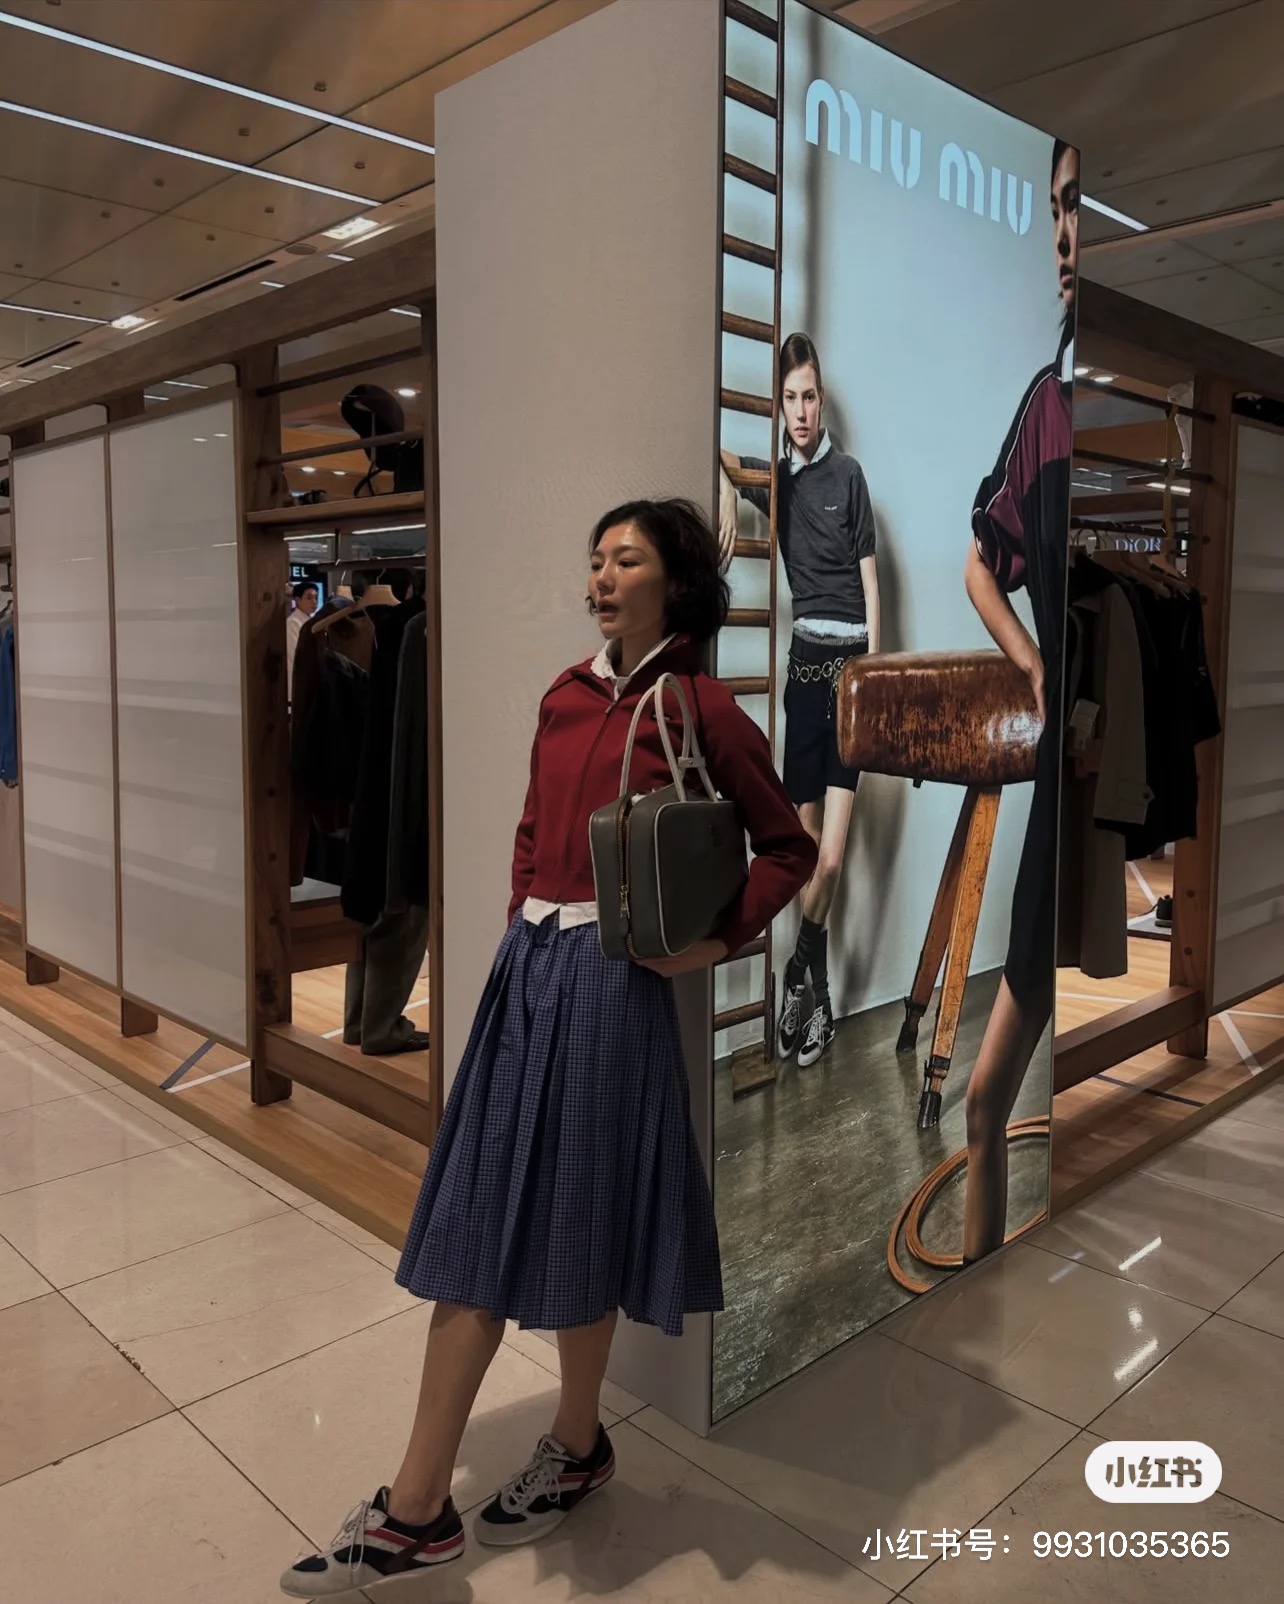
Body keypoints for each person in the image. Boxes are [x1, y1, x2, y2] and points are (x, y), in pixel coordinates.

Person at [282, 498, 817, 1596]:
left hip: (615, 986)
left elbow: (786, 847)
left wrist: (711, 944)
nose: (603, 576)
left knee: (580, 1215)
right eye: (596, 560)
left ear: (677, 583)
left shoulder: (702, 706)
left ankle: (493, 1479)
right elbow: (533, 832)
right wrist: (520, 922)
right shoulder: (566, 694)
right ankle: (472, 1484)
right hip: (529, 972)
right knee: (488, 1212)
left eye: (627, 558)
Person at [961, 138, 1078, 1262]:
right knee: (986, 1093)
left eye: (1077, 204)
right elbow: (979, 562)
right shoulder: (1047, 405)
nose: (1064, 231)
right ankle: (981, 1279)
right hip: (1062, 751)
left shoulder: (1100, 397)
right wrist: (1032, 659)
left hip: (1112, 743)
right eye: (1056, 207)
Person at [719, 334, 880, 1069]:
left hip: (852, 673)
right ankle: (815, 1001)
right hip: (804, 672)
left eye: (810, 395)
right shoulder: (777, 481)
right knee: (805, 855)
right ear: (779, 407)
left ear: (822, 398)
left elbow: (870, 576)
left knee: (834, 858)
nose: (802, 410)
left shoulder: (849, 475)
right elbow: (719, 454)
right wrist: (730, 493)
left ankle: (795, 972)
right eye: (790, 398)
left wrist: (874, 672)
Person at [285, 578, 318, 702]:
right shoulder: (293, 623)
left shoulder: (310, 622)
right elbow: (296, 655)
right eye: (309, 597)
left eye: (316, 597)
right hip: (299, 681)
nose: (314, 601)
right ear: (298, 600)